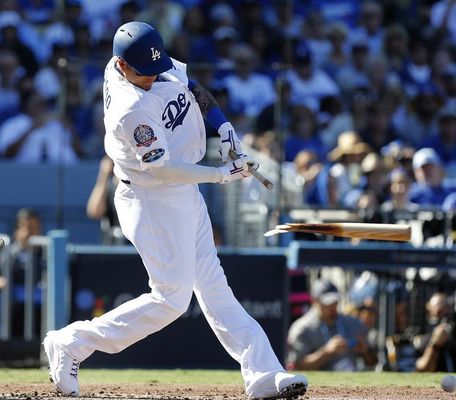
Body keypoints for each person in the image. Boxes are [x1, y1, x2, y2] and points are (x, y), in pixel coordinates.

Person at [42, 22, 308, 399]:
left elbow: (193, 88)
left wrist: (225, 129)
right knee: (171, 299)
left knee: (213, 285)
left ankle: (264, 374)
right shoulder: (130, 108)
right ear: (121, 65)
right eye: (144, 72)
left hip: (181, 190)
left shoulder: (143, 62)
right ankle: (71, 343)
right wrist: (221, 174)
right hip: (151, 198)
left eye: (155, 68)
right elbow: (162, 168)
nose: (152, 77)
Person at [287, 278, 376, 371]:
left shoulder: (351, 323)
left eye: (335, 302)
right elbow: (297, 367)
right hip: (319, 380)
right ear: (314, 301)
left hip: (352, 378)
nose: (332, 306)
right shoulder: (302, 328)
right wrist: (326, 352)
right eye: (327, 303)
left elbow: (373, 362)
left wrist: (366, 351)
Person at [415, 292, 456, 372]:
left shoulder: (453, 333)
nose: (444, 313)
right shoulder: (421, 333)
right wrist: (435, 344)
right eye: (439, 310)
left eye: (446, 307)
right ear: (429, 308)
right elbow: (421, 368)